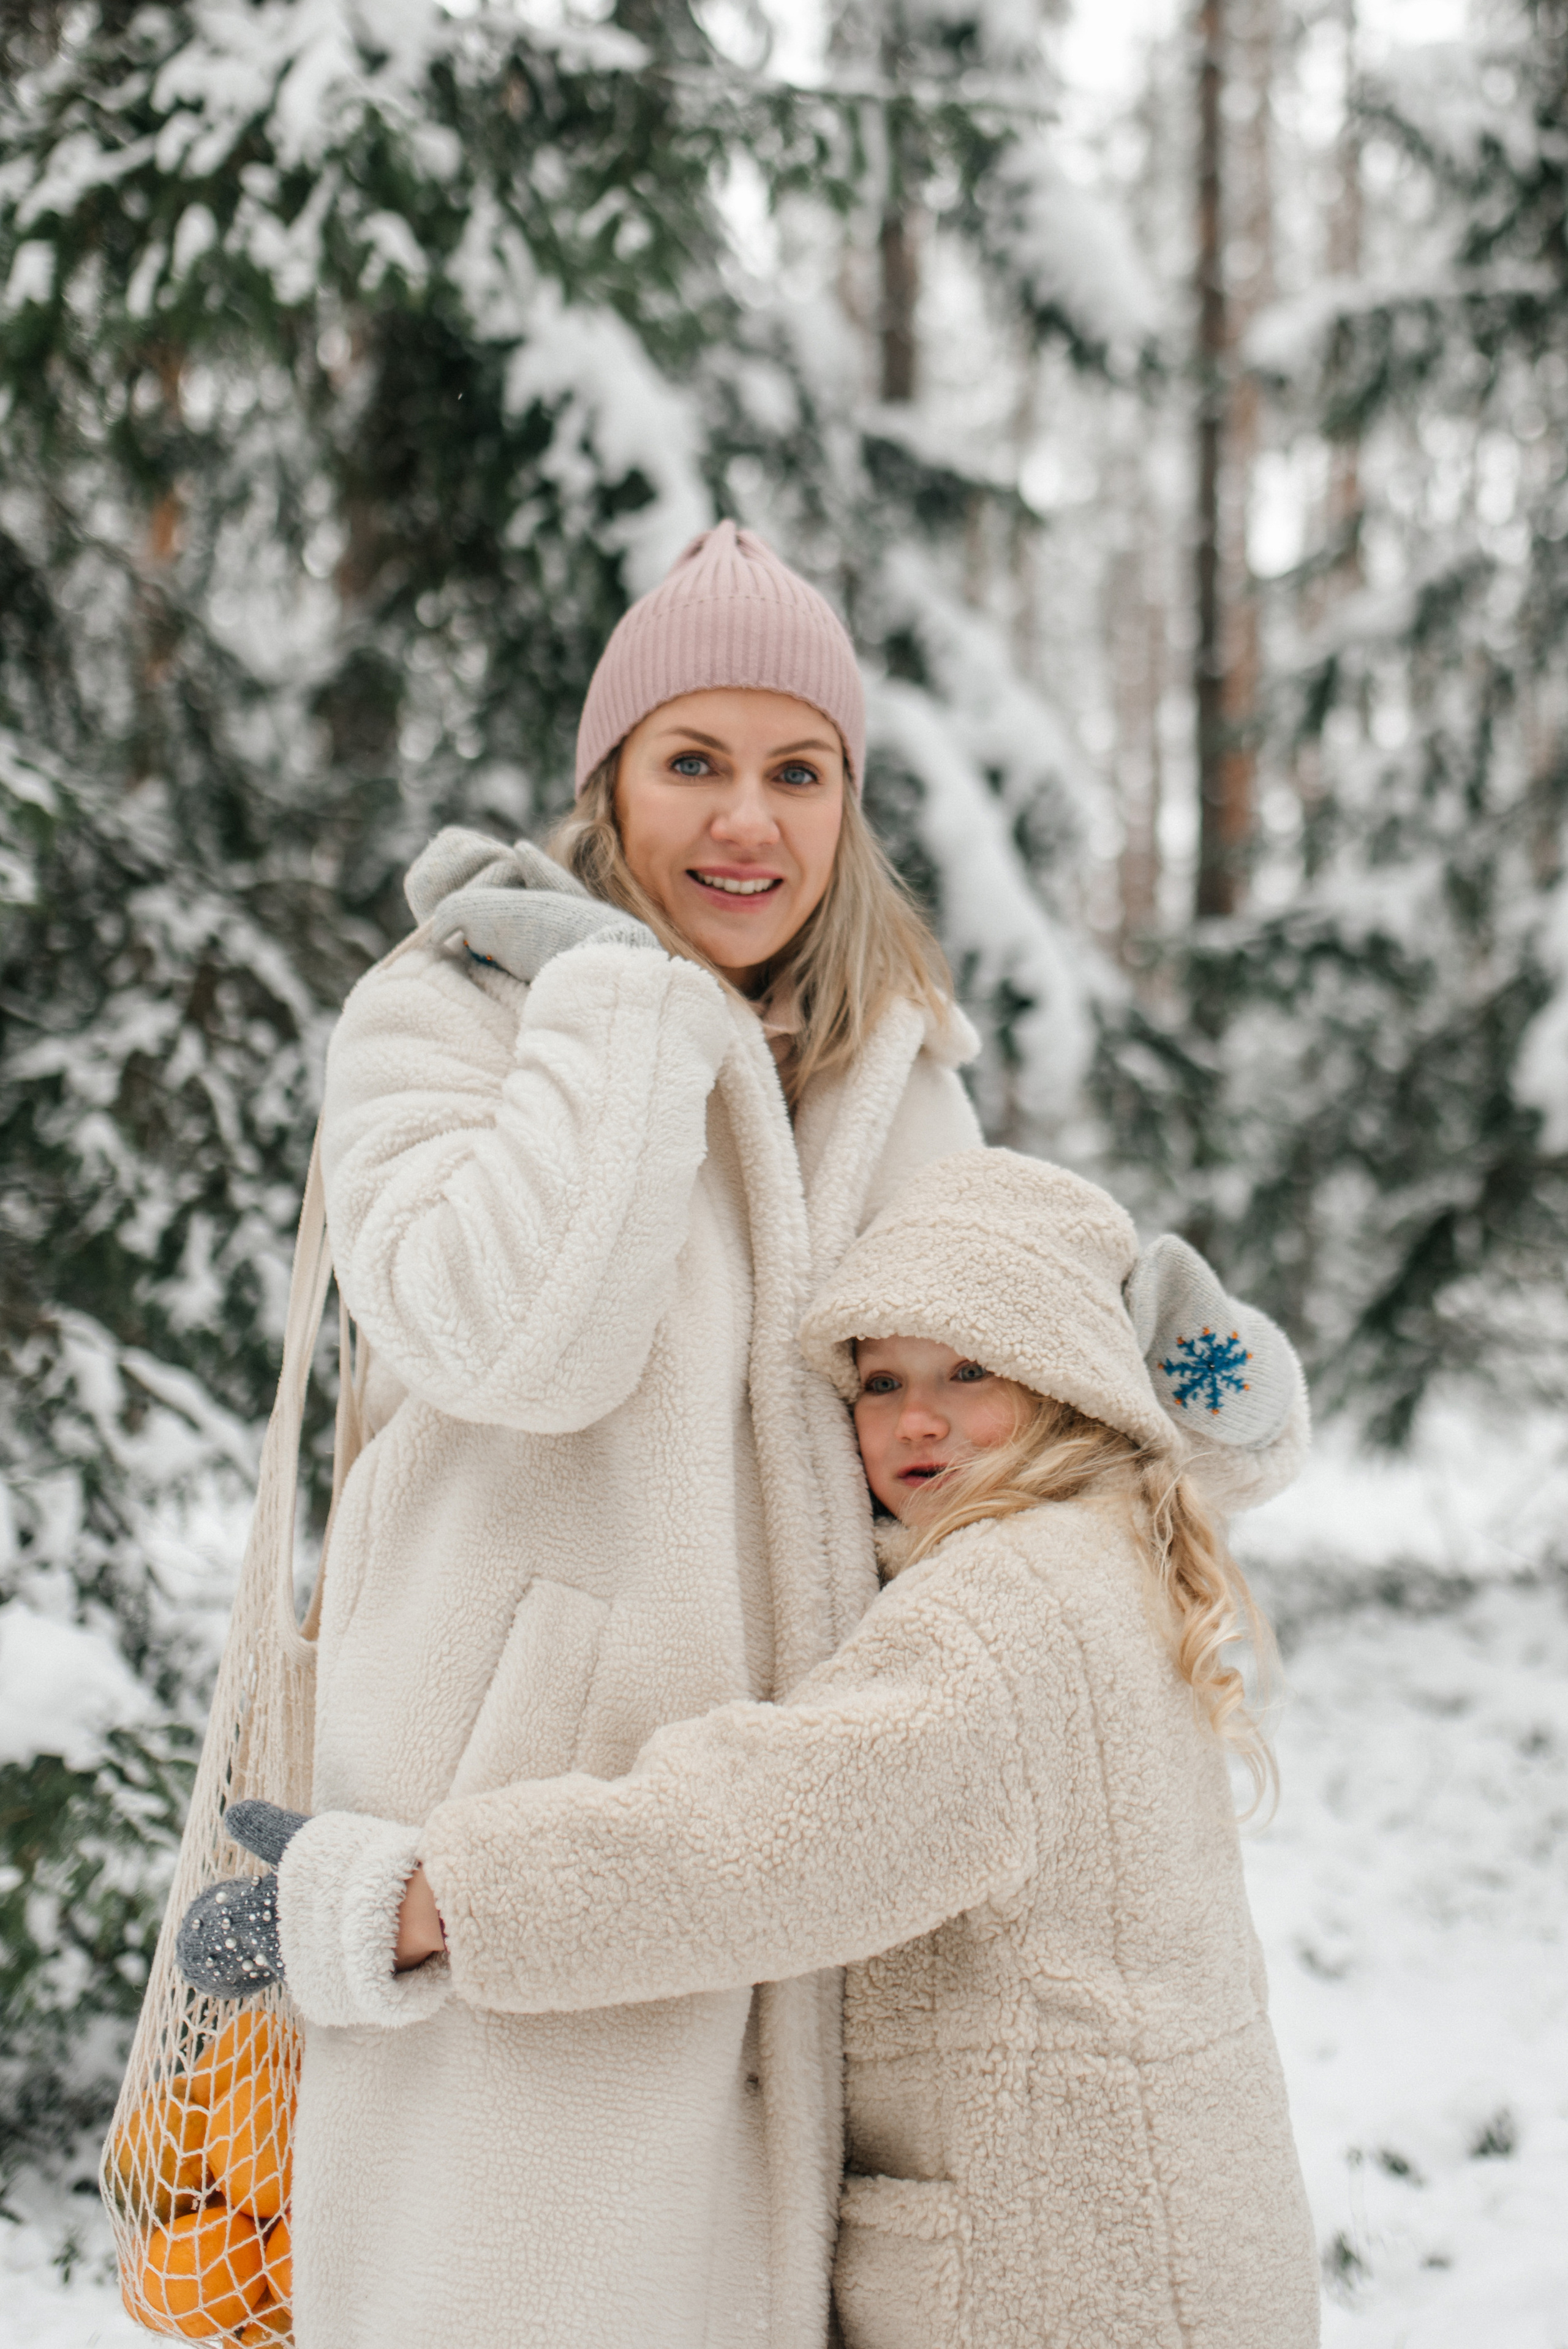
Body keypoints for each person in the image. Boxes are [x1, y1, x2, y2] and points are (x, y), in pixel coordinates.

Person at [179, 526, 1310, 2347]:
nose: (745, 823)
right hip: (512, 1846)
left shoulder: (898, 1066)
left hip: (805, 1859)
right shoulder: (440, 1014)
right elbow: (512, 1339)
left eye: (798, 772)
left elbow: (976, 1412)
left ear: (848, 804)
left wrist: (1176, 1383)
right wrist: (625, 1009)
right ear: (605, 777)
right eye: (691, 761)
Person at [357, 1149, 1322, 2347]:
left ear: (1066, 1375)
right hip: (1164, 2244)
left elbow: (767, 1840)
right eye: (877, 1381)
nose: (916, 1416)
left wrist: (428, 1899)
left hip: (1061, 2279)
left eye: (971, 1368)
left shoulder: (1007, 1603)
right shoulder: (1099, 1554)